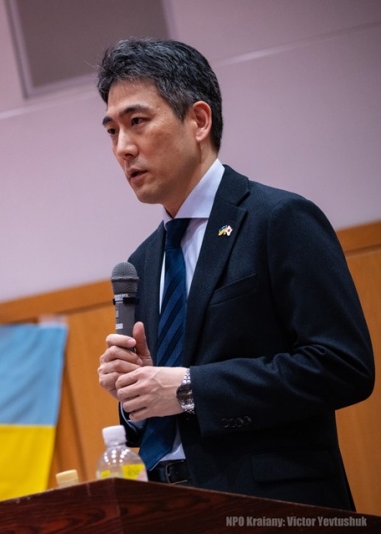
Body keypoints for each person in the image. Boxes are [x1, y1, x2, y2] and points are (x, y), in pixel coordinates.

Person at [96, 38, 374, 510]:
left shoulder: (278, 219)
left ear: (199, 121)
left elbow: (342, 366)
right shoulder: (141, 263)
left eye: (137, 121)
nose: (123, 148)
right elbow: (165, 413)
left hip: (274, 507)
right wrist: (136, 395)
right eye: (111, 131)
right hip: (170, 509)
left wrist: (188, 389)